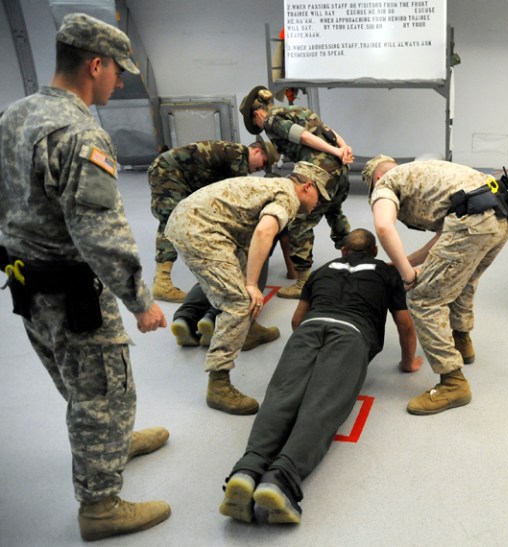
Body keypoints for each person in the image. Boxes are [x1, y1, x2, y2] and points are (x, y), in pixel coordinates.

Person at [0, 13, 170, 541]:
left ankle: (113, 445)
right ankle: (100, 507)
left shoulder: (14, 115)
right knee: (102, 392)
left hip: (27, 284)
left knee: (77, 386)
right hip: (73, 291)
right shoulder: (79, 132)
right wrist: (141, 301)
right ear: (94, 64)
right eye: (117, 71)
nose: (120, 82)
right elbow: (99, 230)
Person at [218, 229, 422, 524]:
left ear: (342, 250)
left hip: (310, 329)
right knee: (322, 404)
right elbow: (405, 325)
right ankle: (280, 479)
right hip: (351, 335)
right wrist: (407, 362)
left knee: (281, 397)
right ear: (375, 251)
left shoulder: (323, 270)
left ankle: (247, 470)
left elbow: (297, 319)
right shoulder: (386, 273)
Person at [164, 161, 330, 415]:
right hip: (200, 230)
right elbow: (264, 232)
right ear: (307, 186)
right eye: (319, 195)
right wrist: (252, 284)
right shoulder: (288, 196)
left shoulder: (276, 186)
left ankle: (248, 331)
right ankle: (218, 385)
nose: (319, 202)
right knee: (238, 301)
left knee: (241, 279)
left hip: (200, 220)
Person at [364, 157, 508, 415]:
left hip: (475, 220)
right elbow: (446, 238)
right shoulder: (423, 173)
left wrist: (408, 276)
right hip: (504, 212)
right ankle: (461, 341)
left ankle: (453, 382)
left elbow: (382, 226)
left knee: (424, 299)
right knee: (463, 277)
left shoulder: (384, 185)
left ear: (375, 179)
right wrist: (405, 261)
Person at [239, 85, 353, 298]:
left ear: (257, 114)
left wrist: (335, 150)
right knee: (334, 212)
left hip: (319, 170)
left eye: (255, 123)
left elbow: (303, 138)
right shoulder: (298, 110)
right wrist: (343, 149)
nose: (259, 126)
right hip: (339, 170)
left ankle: (303, 282)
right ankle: (354, 260)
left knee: (298, 220)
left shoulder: (271, 120)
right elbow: (329, 131)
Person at [149, 138, 278, 302]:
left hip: (183, 176)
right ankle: (162, 282)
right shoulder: (237, 157)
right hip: (168, 171)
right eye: (263, 163)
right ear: (257, 151)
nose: (260, 169)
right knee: (171, 220)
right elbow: (236, 203)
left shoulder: (233, 156)